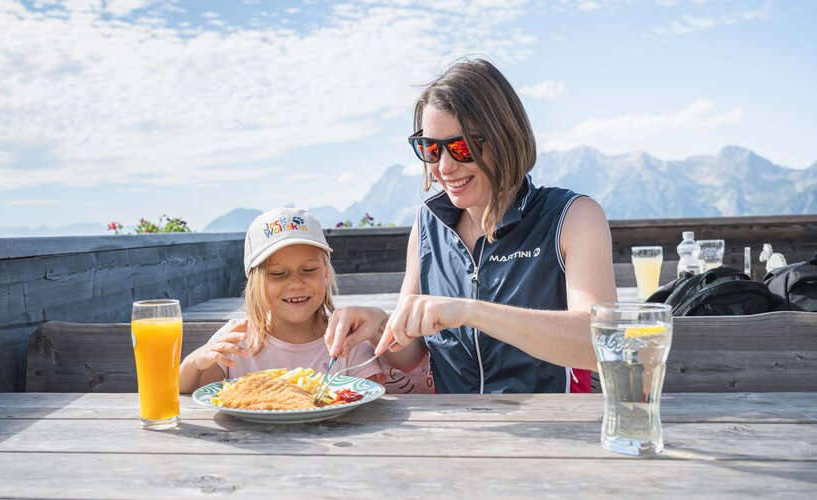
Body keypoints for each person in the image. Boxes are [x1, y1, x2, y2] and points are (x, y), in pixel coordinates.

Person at [325, 58, 617, 394]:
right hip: (457, 430)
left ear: (505, 137)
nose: (445, 167)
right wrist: (378, 325)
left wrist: (469, 312)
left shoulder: (573, 216)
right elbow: (409, 355)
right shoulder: (426, 225)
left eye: (461, 147)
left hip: (557, 429)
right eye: (431, 149)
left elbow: (602, 342)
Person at [179, 207, 384, 393]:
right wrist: (195, 362)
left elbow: (369, 398)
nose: (295, 283)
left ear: (327, 275)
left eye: (308, 270)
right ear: (254, 283)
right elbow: (188, 389)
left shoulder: (349, 341)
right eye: (278, 273)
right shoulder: (236, 339)